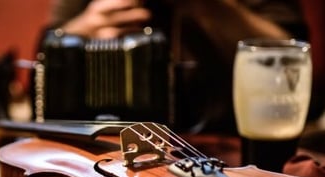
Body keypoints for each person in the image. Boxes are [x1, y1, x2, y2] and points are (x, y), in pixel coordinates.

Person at [38, 0, 315, 133]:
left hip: (226, 145)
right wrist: (80, 31)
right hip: (101, 143)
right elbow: (43, 58)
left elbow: (291, 61)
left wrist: (209, 7)